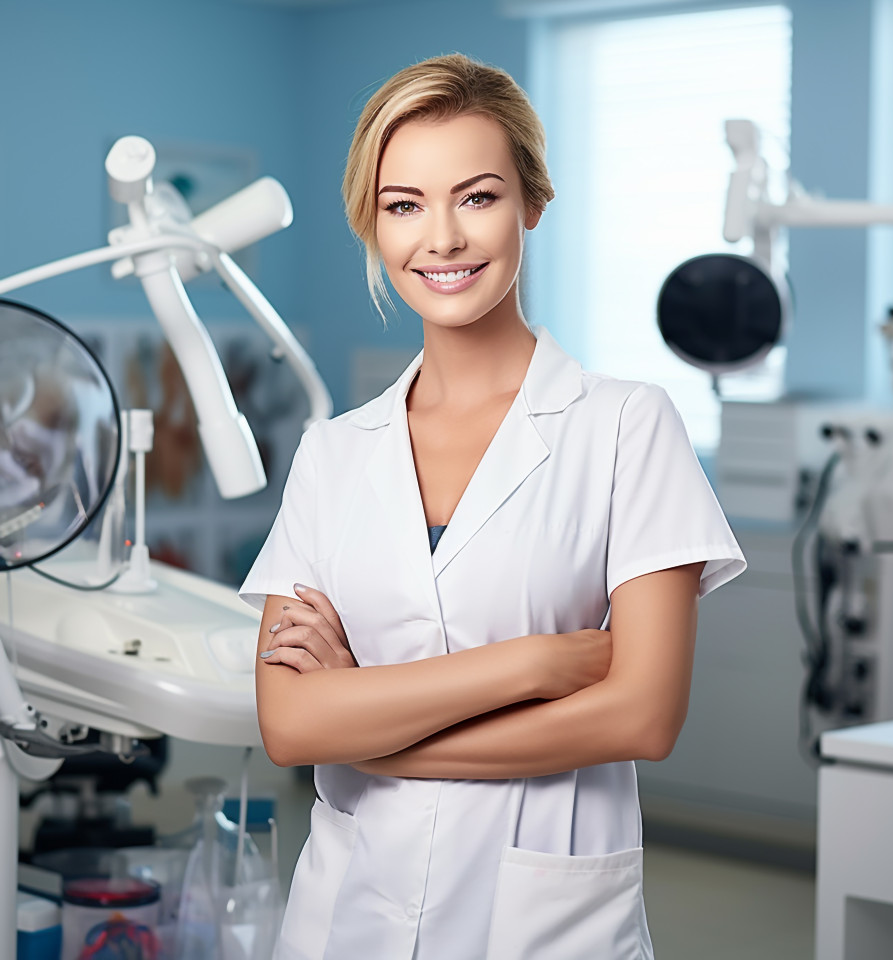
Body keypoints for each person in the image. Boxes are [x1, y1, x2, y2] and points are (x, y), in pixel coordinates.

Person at [239, 53, 746, 960]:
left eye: (476, 197)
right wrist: (534, 663)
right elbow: (291, 724)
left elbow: (641, 715)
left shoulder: (627, 425)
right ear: (372, 224)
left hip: (543, 920)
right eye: (404, 205)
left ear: (532, 204)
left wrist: (371, 727)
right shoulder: (333, 454)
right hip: (345, 912)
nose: (441, 239)